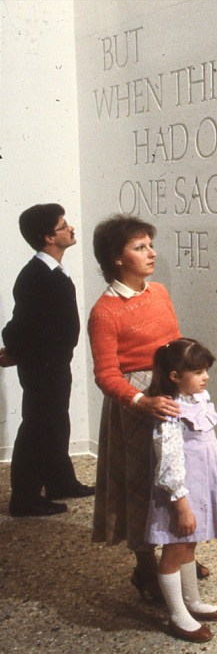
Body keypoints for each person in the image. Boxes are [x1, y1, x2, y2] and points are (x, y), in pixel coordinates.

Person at [88, 214, 212, 602]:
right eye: (139, 247)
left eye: (150, 245)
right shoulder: (105, 311)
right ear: (117, 258)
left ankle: (179, 555)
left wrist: (189, 384)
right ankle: (145, 569)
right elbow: (106, 374)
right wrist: (141, 400)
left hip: (171, 393)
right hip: (137, 405)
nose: (151, 253)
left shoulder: (158, 293)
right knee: (141, 486)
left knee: (178, 478)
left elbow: (175, 345)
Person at [144, 338, 217, 643]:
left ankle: (192, 601)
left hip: (201, 486)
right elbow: (169, 463)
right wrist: (181, 506)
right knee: (175, 550)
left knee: (189, 545)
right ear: (175, 376)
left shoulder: (198, 399)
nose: (205, 377)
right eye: (198, 372)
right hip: (181, 495)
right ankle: (177, 615)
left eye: (205, 370)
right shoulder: (171, 411)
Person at [2, 204, 93, 517]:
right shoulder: (36, 276)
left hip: (53, 363)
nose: (71, 228)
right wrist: (15, 350)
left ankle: (59, 481)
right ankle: (24, 499)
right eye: (63, 226)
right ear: (48, 237)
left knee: (56, 422)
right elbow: (19, 326)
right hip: (44, 367)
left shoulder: (51, 272)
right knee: (38, 427)